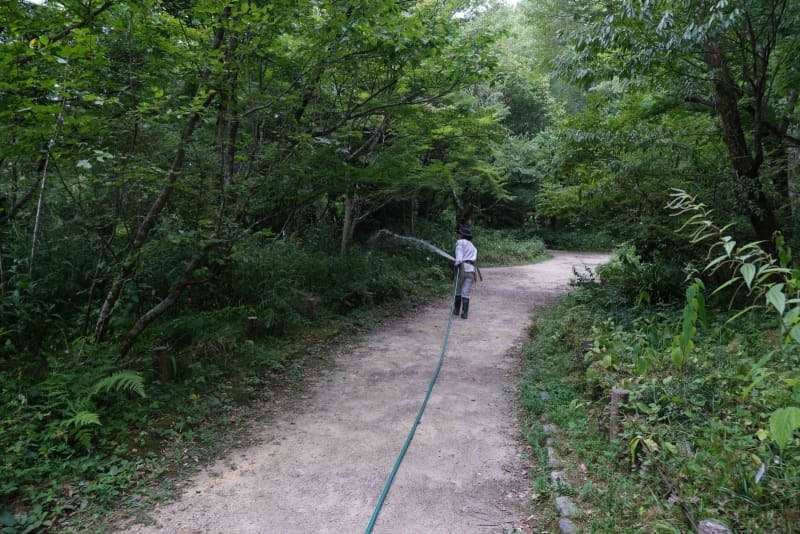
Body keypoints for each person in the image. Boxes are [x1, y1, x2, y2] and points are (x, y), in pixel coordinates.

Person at [453, 226, 478, 319]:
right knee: (466, 292)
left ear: (462, 235)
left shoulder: (460, 242)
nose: (458, 235)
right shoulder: (473, 247)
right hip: (471, 270)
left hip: (462, 268)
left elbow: (459, 257)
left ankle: (456, 310)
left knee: (458, 290)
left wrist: (456, 265)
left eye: (459, 233)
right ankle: (464, 313)